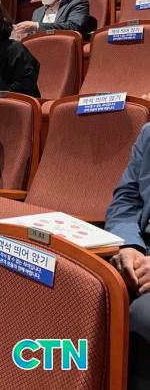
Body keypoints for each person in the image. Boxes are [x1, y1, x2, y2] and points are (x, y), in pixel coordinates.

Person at [105, 124, 150, 388]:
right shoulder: (148, 133)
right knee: (73, 281)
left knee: (144, 315)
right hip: (140, 246)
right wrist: (129, 245)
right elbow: (126, 200)